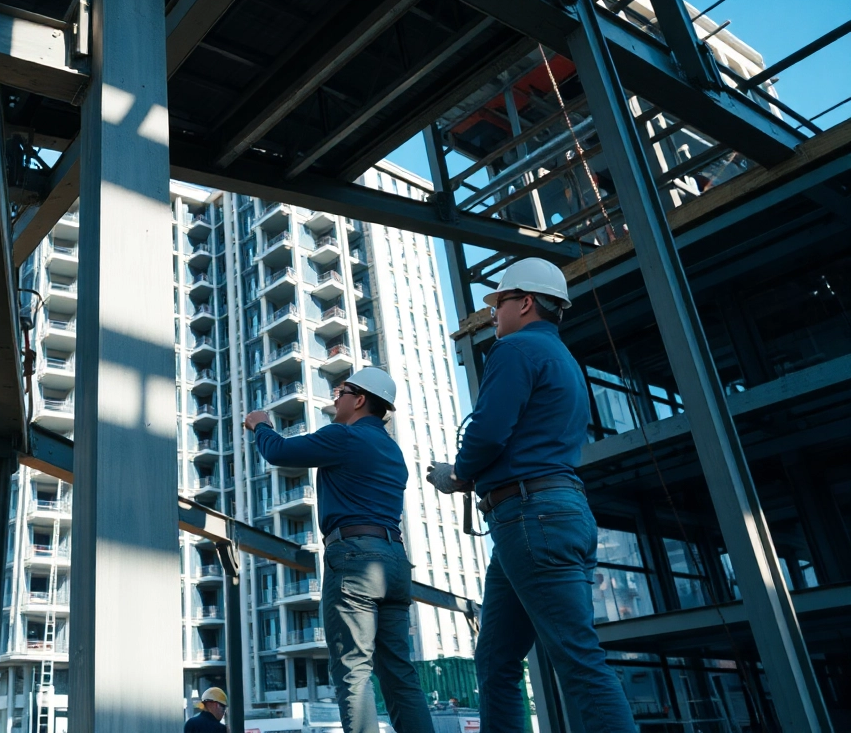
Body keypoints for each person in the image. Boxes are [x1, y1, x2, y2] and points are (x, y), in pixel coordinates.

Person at [426, 258, 636, 733]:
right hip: (549, 515)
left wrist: (456, 473)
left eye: (498, 302)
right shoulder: (563, 360)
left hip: (530, 516)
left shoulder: (515, 350)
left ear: (524, 302)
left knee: (579, 661)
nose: (493, 314)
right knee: (496, 660)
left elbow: (489, 432)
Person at [244, 367, 434, 733]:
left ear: (360, 399)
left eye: (342, 390)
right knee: (399, 673)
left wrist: (261, 425)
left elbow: (280, 452)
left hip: (354, 560)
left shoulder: (344, 438)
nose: (335, 396)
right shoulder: (393, 452)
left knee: (353, 671)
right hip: (395, 562)